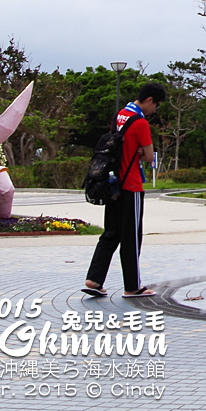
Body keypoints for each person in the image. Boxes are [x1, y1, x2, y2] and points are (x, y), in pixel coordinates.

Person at [84, 83, 166, 298]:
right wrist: (140, 151)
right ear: (149, 100)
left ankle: (94, 279)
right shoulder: (140, 123)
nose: (154, 110)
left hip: (112, 183)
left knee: (111, 233)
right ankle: (132, 286)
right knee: (131, 237)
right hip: (131, 185)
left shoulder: (119, 115)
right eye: (156, 106)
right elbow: (149, 157)